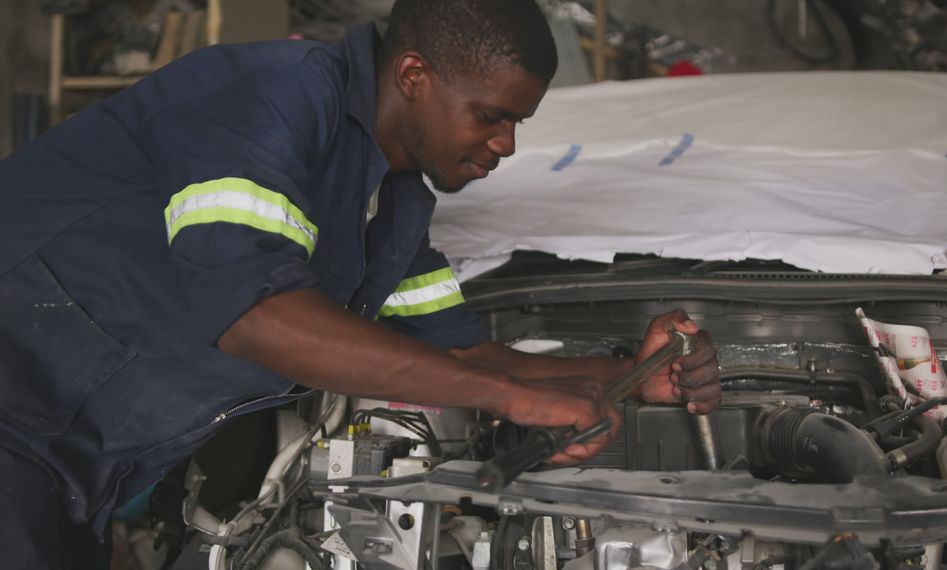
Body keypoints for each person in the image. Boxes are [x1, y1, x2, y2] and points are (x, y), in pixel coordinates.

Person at [0, 0, 721, 566]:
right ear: (413, 76)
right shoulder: (271, 100)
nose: (506, 144)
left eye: (517, 122)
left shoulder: (396, 201)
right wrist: (511, 399)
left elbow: (461, 355)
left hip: (74, 472)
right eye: (492, 116)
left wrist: (627, 373)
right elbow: (256, 313)